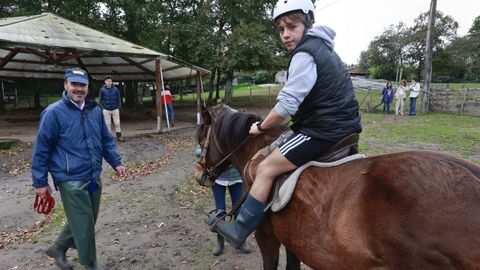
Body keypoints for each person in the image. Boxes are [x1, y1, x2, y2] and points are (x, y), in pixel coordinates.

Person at [208, 0, 362, 249]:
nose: (285, 34)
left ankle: (239, 229)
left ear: (307, 24)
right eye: (281, 29)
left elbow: (285, 107)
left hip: (323, 131)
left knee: (267, 168)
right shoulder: (325, 49)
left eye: (292, 26)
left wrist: (260, 127)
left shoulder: (305, 53)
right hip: (345, 128)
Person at [32, 68, 126, 270]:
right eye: (74, 84)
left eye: (82, 85)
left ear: (87, 87)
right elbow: (41, 149)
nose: (78, 89)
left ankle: (58, 247)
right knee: (83, 222)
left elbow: (106, 141)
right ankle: (91, 264)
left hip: (93, 176)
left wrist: (116, 162)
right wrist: (40, 182)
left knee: (87, 219)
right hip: (70, 179)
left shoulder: (95, 111)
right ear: (65, 85)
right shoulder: (53, 113)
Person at [195, 145, 250, 255]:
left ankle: (240, 240)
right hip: (217, 177)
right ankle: (220, 242)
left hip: (236, 177)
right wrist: (215, 150)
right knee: (220, 211)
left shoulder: (235, 132)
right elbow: (198, 151)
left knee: (238, 210)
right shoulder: (213, 131)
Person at [99, 75, 125, 142]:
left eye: (110, 81)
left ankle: (119, 137)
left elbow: (119, 98)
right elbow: (100, 100)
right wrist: (102, 108)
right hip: (106, 109)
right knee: (107, 124)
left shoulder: (115, 89)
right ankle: (109, 137)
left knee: (117, 123)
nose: (109, 82)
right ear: (105, 82)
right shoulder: (102, 90)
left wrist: (119, 107)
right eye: (107, 81)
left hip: (115, 108)